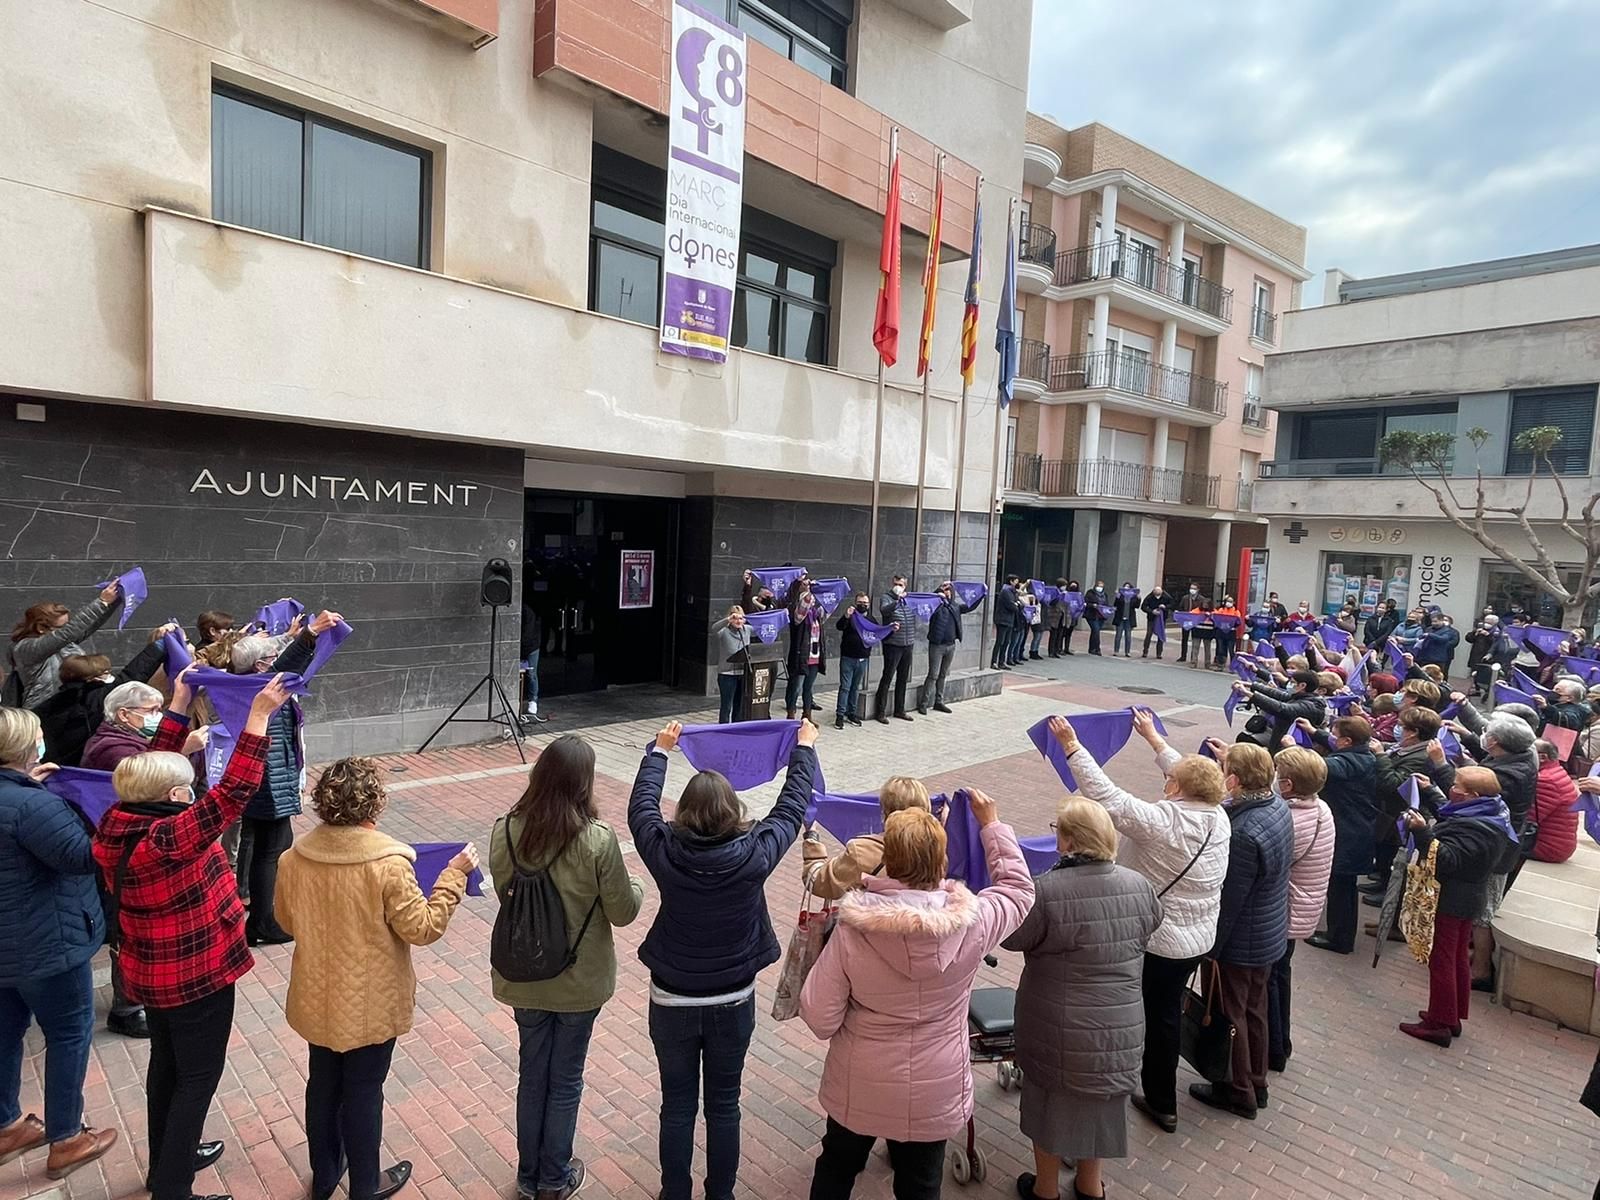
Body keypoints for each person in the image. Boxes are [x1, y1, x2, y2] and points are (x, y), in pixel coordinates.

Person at [94, 670, 294, 1200]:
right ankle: (174, 1189)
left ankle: (167, 1167)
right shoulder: (170, 835)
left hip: (152, 972)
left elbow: (152, 770)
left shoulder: (122, 817)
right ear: (176, 793)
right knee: (196, 1079)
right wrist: (257, 717)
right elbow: (233, 793)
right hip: (196, 973)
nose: (191, 789)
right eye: (186, 786)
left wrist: (181, 700)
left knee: (166, 1069)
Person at [800, 793, 1033, 1200]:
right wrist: (991, 824)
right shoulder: (974, 921)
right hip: (936, 1086)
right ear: (941, 862)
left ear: (889, 859)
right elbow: (1018, 890)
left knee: (837, 1167)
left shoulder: (854, 930)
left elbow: (819, 1016)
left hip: (862, 1079)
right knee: (922, 1183)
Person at [628, 718, 817, 1200]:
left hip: (671, 999)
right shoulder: (754, 854)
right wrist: (804, 750)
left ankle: (675, 1193)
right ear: (734, 812)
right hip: (733, 999)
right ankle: (721, 1195)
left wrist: (660, 752)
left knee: (676, 1106)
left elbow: (641, 810)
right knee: (724, 1105)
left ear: (684, 813)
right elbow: (791, 807)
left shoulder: (664, 850)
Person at [275, 759, 477, 1200]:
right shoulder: (388, 863)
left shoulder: (293, 858)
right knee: (365, 1090)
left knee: (323, 1085)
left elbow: (285, 921)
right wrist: (453, 877)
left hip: (316, 993)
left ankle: (325, 1175)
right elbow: (422, 929)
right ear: (374, 804)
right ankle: (365, 1185)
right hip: (372, 999)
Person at [1047, 712, 1230, 1134]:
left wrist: (1072, 746)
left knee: (1154, 1013)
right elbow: (1188, 773)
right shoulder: (1218, 816)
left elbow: (1107, 798)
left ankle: (1160, 1099)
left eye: (1171, 779)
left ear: (1176, 789)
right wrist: (1152, 739)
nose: (1167, 780)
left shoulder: (1165, 822)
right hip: (1199, 935)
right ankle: (1147, 1076)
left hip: (1163, 941)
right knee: (1162, 1007)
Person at [489, 735, 644, 1199]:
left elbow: (505, 893)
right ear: (584, 783)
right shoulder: (596, 840)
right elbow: (623, 910)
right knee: (566, 1079)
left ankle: (528, 1175)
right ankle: (554, 1178)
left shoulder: (506, 829)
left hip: (523, 976)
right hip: (580, 981)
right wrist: (633, 882)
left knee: (532, 1074)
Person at [1005, 799, 1160, 1200]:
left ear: (1068, 839)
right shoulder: (1138, 884)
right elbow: (1152, 924)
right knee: (1102, 1101)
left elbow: (1012, 938)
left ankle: (1045, 1189)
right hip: (1120, 1023)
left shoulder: (1047, 891)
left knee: (1049, 1103)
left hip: (1056, 1024)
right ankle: (1091, 1186)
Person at [0, 706, 119, 1179]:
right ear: (27, 747)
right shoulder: (36, 806)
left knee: (6, 1032)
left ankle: (8, 1124)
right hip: (48, 942)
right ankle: (67, 1137)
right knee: (69, 1034)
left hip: (8, 947)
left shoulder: (28, 798)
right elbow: (80, 858)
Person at [1189, 741, 1292, 1119]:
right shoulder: (1276, 806)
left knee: (1231, 1014)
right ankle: (1256, 1080)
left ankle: (1239, 1090)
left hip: (1242, 938)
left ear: (1234, 779)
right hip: (1268, 931)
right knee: (1254, 1009)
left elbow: (1230, 899)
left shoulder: (1245, 831)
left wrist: (1211, 947)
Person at [230, 611, 342, 947]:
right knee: (270, 850)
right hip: (267, 781)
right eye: (270, 656)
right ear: (261, 665)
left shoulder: (245, 684)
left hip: (269, 778)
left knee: (274, 844)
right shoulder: (258, 688)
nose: (275, 658)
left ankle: (265, 913)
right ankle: (263, 922)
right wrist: (310, 633)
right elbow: (288, 665)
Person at [1397, 766, 1516, 1046]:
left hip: (1451, 899)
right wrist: (1430, 791)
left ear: (1472, 795)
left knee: (1442, 960)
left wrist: (1423, 833)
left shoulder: (1477, 828)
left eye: (1457, 786)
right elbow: (1455, 813)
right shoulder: (1493, 812)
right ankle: (1452, 1014)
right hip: (1468, 898)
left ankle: (1439, 1023)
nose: (1452, 789)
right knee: (1458, 957)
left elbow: (1447, 860)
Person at [1265, 748, 1333, 1075]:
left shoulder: (1294, 820)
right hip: (1301, 907)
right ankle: (1281, 1044)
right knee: (1280, 975)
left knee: (1270, 979)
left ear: (1288, 785)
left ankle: (1273, 1048)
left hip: (1285, 909)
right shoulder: (1319, 808)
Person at [36, 624, 176, 768]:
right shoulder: (95, 699)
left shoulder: (53, 703)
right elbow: (132, 674)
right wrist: (160, 645)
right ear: (93, 678)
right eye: (106, 673)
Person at [1470, 714, 1538, 991]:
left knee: (1484, 911)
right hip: (1499, 846)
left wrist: (1441, 766)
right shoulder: (1518, 759)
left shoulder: (1509, 774)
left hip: (1497, 851)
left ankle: (1481, 970)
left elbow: (1478, 790)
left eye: (1488, 733)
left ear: (1496, 742)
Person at [1306, 717, 1379, 955]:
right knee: (1344, 886)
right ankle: (1338, 933)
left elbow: (1318, 768)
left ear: (1347, 741)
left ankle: (1339, 938)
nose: (1332, 738)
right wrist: (1314, 732)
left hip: (1348, 831)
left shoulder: (1346, 762)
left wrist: (1293, 752)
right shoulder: (1363, 755)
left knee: (1340, 886)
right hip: (1356, 829)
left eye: (1335, 735)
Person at [802, 777, 930, 899]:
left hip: (876, 920)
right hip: (918, 920)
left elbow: (818, 881)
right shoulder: (937, 849)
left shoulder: (862, 851)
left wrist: (811, 835)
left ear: (884, 812)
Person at [4, 583, 122, 708]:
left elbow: (87, 627)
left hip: (69, 707)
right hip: (43, 711)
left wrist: (115, 601)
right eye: (61, 627)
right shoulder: (26, 648)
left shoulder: (63, 643)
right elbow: (67, 633)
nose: (66, 629)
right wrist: (101, 602)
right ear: (40, 628)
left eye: (68, 624)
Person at [82, 680, 210, 773]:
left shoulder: (139, 736)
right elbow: (145, 776)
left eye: (159, 710)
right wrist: (182, 749)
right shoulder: (108, 747)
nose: (158, 716)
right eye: (151, 710)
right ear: (124, 714)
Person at [920, 582, 978, 716]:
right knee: (933, 675)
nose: (947, 592)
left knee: (943, 674)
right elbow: (929, 600)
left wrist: (981, 595)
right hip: (937, 645)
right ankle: (923, 703)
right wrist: (939, 589)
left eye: (949, 590)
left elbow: (970, 606)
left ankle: (938, 701)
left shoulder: (955, 606)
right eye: (945, 590)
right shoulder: (936, 606)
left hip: (951, 645)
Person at [1234, 670, 1326, 751]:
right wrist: (1249, 685)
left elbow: (1281, 708)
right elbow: (1276, 694)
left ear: (1302, 685)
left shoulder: (1310, 707)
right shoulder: (1301, 697)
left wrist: (1248, 694)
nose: (1289, 684)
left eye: (1292, 682)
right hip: (1280, 740)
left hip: (1289, 747)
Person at [1528, 739, 1580, 863]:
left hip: (1547, 847)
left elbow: (1529, 817)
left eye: (1528, 752)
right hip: (1558, 844)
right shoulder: (1556, 771)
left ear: (1542, 757)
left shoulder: (1546, 780)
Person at [875, 576, 915, 722]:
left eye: (901, 584)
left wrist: (940, 590)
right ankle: (880, 712)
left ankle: (900, 709)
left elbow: (927, 600)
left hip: (908, 644)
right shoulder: (887, 598)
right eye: (896, 584)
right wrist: (897, 601)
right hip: (892, 644)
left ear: (905, 586)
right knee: (887, 677)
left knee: (903, 678)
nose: (898, 586)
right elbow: (884, 610)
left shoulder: (910, 599)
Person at [784, 584, 826, 722]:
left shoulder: (816, 616)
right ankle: (791, 715)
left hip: (814, 657)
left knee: (808, 689)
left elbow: (827, 608)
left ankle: (807, 716)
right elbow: (803, 606)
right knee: (796, 688)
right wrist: (809, 592)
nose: (812, 602)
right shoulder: (798, 616)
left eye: (813, 600)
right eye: (809, 600)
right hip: (801, 657)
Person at [833, 594, 871, 730]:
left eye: (865, 602)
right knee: (845, 687)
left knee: (855, 687)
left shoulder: (871, 619)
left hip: (862, 658)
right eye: (860, 602)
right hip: (848, 657)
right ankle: (840, 715)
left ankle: (851, 713)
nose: (863, 605)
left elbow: (879, 632)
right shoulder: (851, 616)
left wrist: (891, 629)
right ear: (855, 603)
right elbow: (839, 626)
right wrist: (846, 616)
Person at [714, 606, 751, 724]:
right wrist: (727, 620)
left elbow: (763, 627)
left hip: (742, 673)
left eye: (741, 618)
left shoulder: (747, 629)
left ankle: (736, 728)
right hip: (727, 674)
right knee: (727, 705)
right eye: (735, 618)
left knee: (739, 705)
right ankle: (723, 729)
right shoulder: (724, 631)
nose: (738, 621)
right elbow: (714, 628)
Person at [519, 595, 550, 725]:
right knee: (521, 674)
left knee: (531, 673)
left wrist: (522, 648)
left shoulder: (528, 611)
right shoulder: (522, 610)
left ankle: (533, 701)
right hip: (522, 647)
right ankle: (519, 700)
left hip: (530, 647)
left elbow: (528, 632)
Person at [1414, 613, 1460, 677]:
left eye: (1435, 621)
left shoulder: (1447, 630)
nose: (1433, 623)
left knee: (1437, 676)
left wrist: (1430, 635)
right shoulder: (1429, 629)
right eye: (1432, 621)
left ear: (1441, 621)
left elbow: (1444, 639)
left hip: (1438, 658)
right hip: (1425, 657)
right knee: (1423, 675)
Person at [992, 575, 1022, 671]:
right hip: (1003, 619)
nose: (1017, 583)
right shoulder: (1006, 591)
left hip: (1010, 620)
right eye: (1016, 581)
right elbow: (1012, 606)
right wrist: (1016, 605)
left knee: (1006, 642)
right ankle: (994, 662)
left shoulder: (1013, 592)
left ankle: (1001, 662)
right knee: (1000, 641)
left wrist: (1017, 604)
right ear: (1011, 581)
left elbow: (1019, 604)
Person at [1140, 586, 1172, 660]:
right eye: (1156, 594)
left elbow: (1172, 604)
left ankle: (1159, 653)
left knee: (1160, 635)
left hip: (1161, 619)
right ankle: (1145, 651)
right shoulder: (1150, 597)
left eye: (1159, 594)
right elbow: (1143, 607)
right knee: (1148, 634)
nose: (1157, 595)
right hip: (1151, 618)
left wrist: (1165, 607)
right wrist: (1151, 611)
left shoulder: (1166, 596)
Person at [1212, 596, 1242, 669]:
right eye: (1227, 601)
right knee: (1221, 650)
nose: (1228, 603)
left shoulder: (1236, 612)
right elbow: (1216, 618)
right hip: (1221, 632)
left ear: (1233, 603)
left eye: (1230, 602)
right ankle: (1221, 665)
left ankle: (1233, 666)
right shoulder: (1221, 610)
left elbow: (1238, 622)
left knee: (1231, 650)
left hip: (1231, 633)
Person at [1176, 584, 1203, 663]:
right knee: (1184, 639)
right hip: (1186, 620)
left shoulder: (1201, 599)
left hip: (1195, 621)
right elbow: (1180, 608)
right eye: (1191, 588)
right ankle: (1183, 656)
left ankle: (1193, 657)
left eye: (1194, 588)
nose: (1192, 590)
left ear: (1198, 590)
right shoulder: (1185, 598)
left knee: (1195, 639)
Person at [1111, 583, 1139, 657]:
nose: (1127, 588)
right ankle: (1116, 651)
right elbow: (1115, 604)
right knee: (1118, 635)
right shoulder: (1121, 596)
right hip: (1120, 618)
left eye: (1128, 587)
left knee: (1128, 636)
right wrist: (1117, 596)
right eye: (1125, 587)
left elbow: (1136, 606)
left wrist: (1138, 598)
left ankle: (1127, 652)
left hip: (1129, 619)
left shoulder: (1133, 597)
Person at [1045, 579, 1070, 658]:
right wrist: (1060, 595)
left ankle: (1056, 650)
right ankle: (1051, 651)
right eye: (1064, 585)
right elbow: (1052, 602)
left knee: (1059, 634)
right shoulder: (1055, 592)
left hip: (1061, 615)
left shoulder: (1064, 594)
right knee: (1053, 634)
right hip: (1054, 615)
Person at [1083, 581, 1109, 657]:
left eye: (1101, 586)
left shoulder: (1105, 595)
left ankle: (1091, 648)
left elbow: (1106, 604)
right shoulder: (1090, 593)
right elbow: (1086, 603)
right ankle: (1097, 649)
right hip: (1092, 615)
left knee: (1095, 632)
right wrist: (1093, 605)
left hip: (1101, 616)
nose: (1100, 588)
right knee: (1096, 630)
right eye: (1099, 586)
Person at [1060, 580, 1084, 657]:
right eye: (1072, 586)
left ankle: (1066, 648)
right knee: (1062, 633)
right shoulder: (1065, 594)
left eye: (1075, 586)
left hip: (1074, 616)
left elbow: (1081, 605)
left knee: (1069, 633)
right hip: (1066, 616)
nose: (1073, 587)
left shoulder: (1079, 595)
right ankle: (1059, 648)